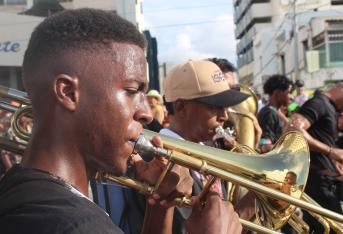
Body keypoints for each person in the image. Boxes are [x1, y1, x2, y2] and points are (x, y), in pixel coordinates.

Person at [0, 9, 241, 234]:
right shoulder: (76, 225)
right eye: (131, 90)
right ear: (68, 93)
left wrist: (160, 206)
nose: (147, 113)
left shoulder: (22, 188)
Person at [161, 60, 251, 234]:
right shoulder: (160, 160)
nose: (224, 116)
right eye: (214, 107)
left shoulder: (208, 148)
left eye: (225, 107)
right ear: (181, 107)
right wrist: (249, 207)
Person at [286, 82, 343, 233]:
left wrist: (333, 160)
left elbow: (319, 139)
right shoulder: (319, 103)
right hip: (317, 183)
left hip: (325, 181)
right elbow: (293, 130)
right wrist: (331, 151)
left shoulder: (329, 107)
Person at [257, 74, 293, 153]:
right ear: (277, 93)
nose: (291, 97)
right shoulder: (269, 114)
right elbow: (265, 146)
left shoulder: (273, 111)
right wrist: (289, 150)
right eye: (288, 92)